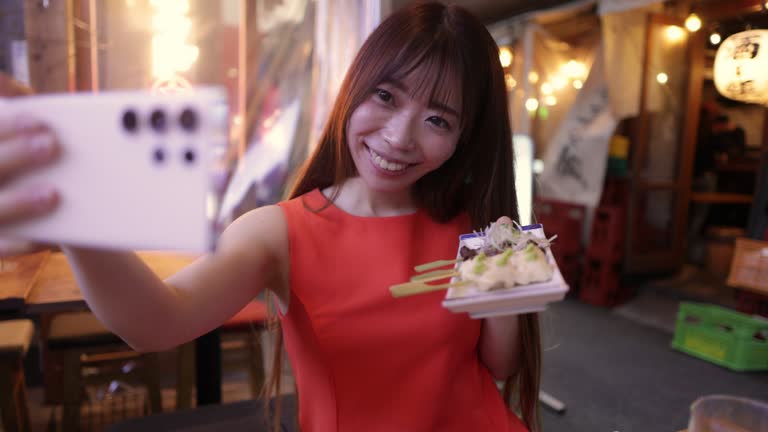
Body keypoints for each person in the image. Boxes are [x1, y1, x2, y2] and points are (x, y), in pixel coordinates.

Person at [0, 2, 541, 431]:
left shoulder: (484, 228)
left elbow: (500, 367)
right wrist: (73, 213)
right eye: (385, 95)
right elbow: (154, 322)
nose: (399, 137)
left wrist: (508, 259)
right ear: (354, 90)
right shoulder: (279, 232)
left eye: (437, 120)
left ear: (465, 138)